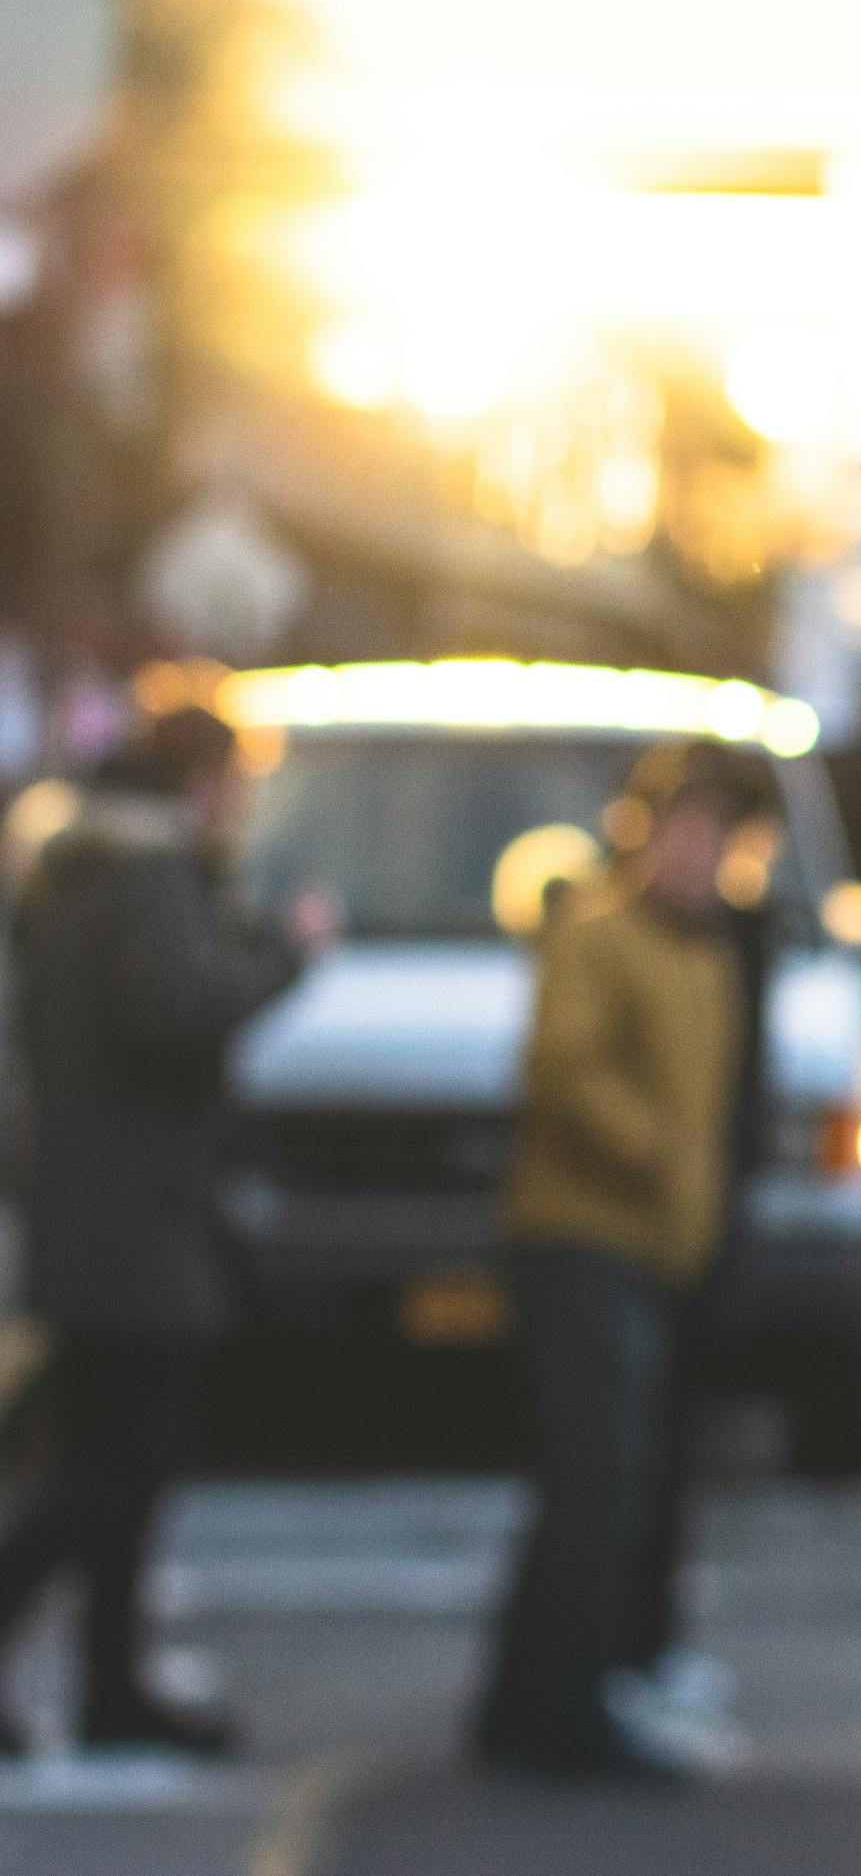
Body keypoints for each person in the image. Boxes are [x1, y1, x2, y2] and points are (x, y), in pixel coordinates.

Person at [0, 703, 325, 1756]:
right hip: (135, 1223)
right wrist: (289, 953)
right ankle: (107, 1683)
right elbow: (178, 1016)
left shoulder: (92, 871)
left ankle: (113, 1686)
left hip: (104, 1213)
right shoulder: (145, 881)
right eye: (234, 783)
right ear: (199, 784)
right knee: (113, 1470)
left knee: (111, 1467)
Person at [474, 737, 767, 1781]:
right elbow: (564, 1069)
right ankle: (560, 1707)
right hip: (580, 1239)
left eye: (715, 838)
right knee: (595, 1479)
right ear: (642, 835)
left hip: (656, 1252)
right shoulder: (594, 932)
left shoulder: (711, 953)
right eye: (682, 833)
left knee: (605, 1481)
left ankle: (526, 1702)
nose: (698, 855)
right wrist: (657, 1158)